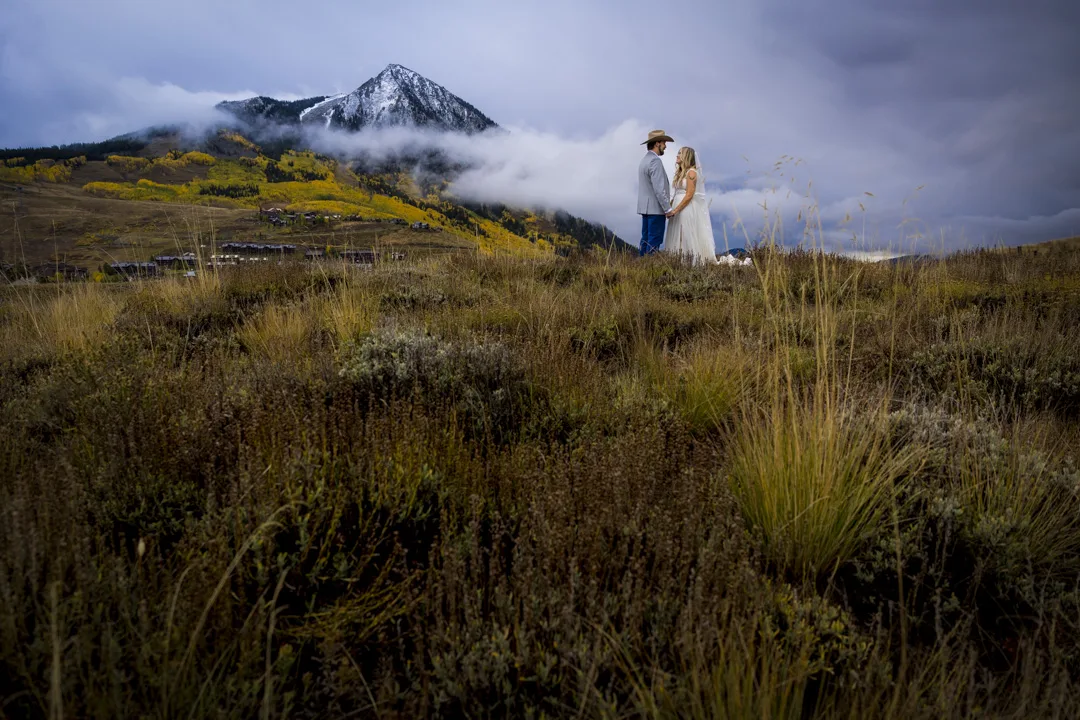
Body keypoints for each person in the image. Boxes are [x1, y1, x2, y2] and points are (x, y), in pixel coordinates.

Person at [664, 146, 719, 265]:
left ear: (686, 157)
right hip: (676, 207)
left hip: (685, 208)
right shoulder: (680, 173)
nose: (677, 155)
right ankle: (677, 260)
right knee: (677, 233)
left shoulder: (691, 173)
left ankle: (689, 261)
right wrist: (669, 208)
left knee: (685, 233)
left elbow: (689, 194)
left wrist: (676, 210)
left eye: (680, 153)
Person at [637, 130, 673, 256]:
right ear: (657, 143)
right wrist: (668, 209)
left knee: (645, 240)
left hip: (645, 208)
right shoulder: (655, 161)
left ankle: (641, 268)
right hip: (656, 209)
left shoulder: (644, 160)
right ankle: (649, 270)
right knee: (654, 241)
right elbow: (659, 189)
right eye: (664, 142)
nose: (665, 146)